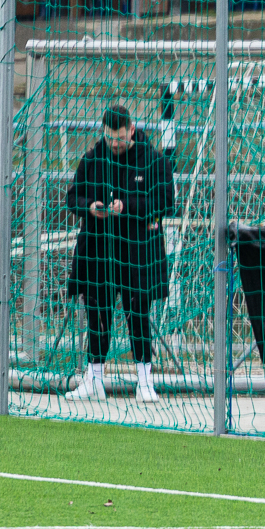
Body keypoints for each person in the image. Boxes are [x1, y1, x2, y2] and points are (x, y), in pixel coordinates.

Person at [62, 105, 174, 403]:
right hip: (99, 251)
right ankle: (94, 379)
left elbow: (165, 201)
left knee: (138, 313)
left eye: (120, 137)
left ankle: (145, 382)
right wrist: (90, 207)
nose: (115, 143)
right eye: (110, 137)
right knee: (97, 314)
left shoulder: (153, 161)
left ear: (132, 130)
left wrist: (127, 207)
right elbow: (72, 196)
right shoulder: (93, 158)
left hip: (137, 252)